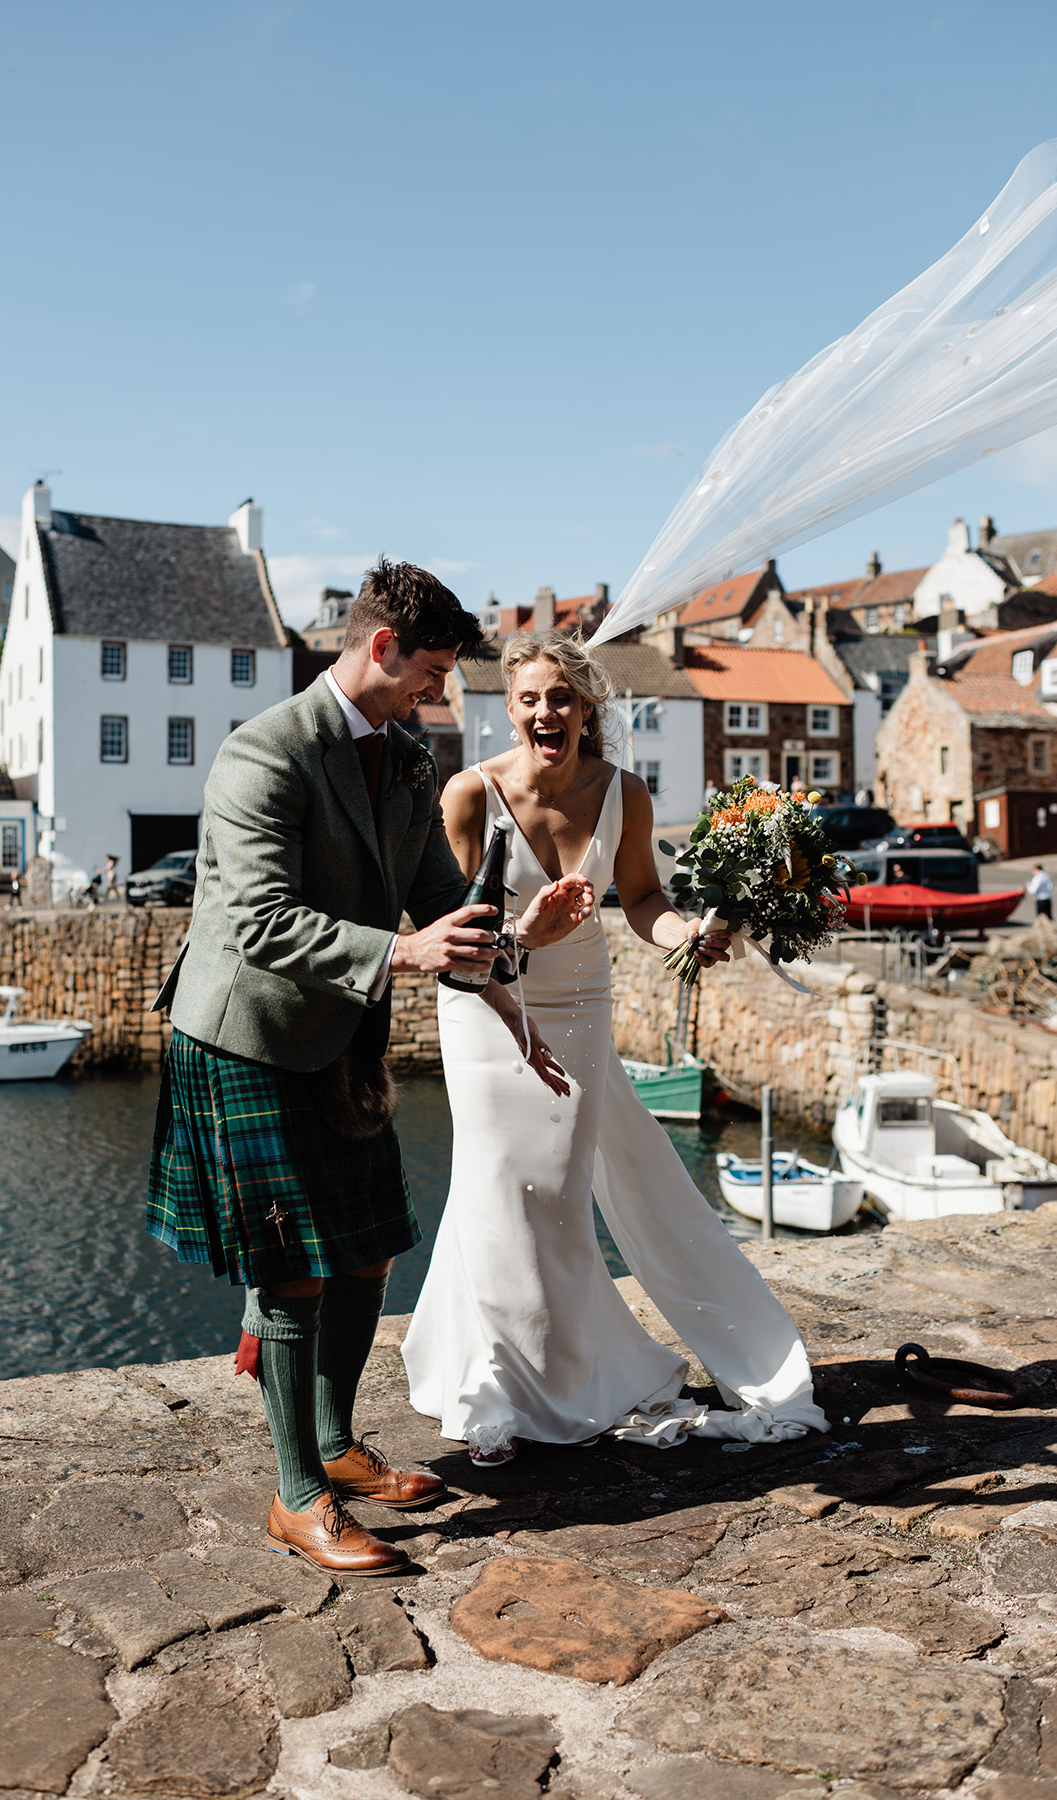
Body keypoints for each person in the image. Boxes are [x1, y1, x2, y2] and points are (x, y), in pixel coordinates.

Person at [146, 563, 589, 1578]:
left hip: (338, 1035)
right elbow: (257, 922)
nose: (440, 695)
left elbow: (444, 910)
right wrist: (404, 954)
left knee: (369, 1251)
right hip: (246, 1034)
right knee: (292, 1268)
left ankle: (336, 1447)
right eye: (431, 673)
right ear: (382, 649)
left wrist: (519, 942)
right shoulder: (266, 754)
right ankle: (296, 1498)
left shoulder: (407, 757)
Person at [402, 631, 829, 1465]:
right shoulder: (468, 795)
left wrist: (684, 937)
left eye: (559, 697)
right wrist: (525, 935)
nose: (543, 711)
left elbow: (641, 898)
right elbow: (450, 937)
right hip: (489, 1009)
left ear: (587, 706)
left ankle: (549, 1362)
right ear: (510, 708)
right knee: (498, 1181)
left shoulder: (623, 792)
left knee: (558, 1190)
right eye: (528, 698)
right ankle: (492, 1383)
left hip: (582, 1004)